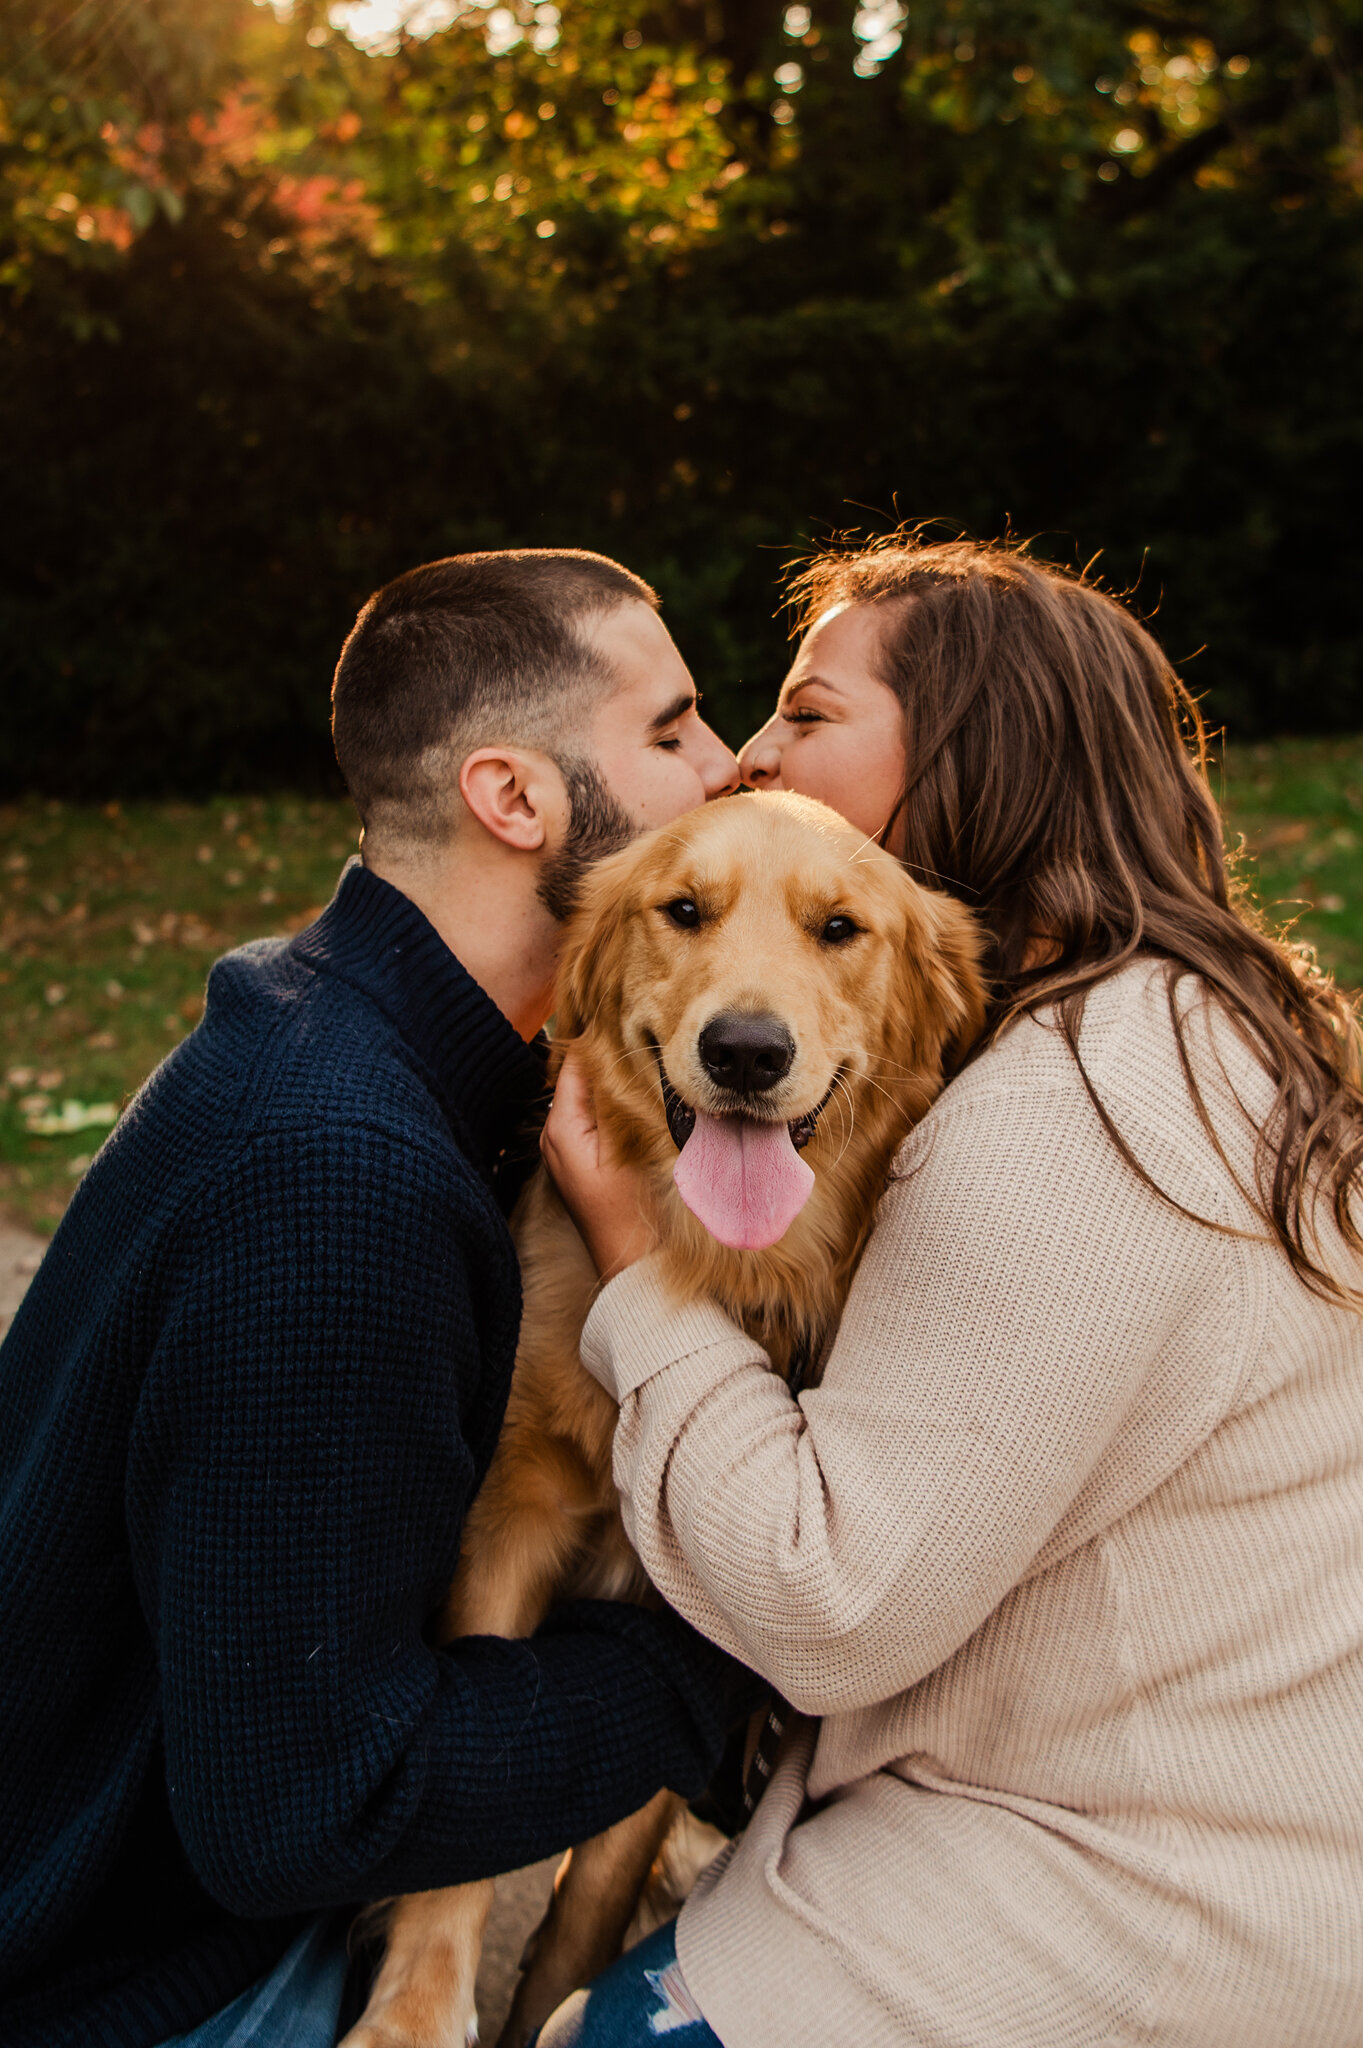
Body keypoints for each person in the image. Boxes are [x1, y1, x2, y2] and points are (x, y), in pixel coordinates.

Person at [537, 536, 1363, 2046]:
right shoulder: (1218, 1024)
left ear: (974, 753)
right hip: (1246, 1852)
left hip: (1094, 1925)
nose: (747, 759)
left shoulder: (1073, 1117)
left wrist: (631, 1269)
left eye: (806, 711)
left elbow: (823, 1602)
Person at [0, 549, 751, 2048]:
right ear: (515, 799)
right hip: (137, 1987)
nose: (728, 769)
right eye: (671, 731)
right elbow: (306, 1813)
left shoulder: (338, 1030)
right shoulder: (340, 1178)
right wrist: (708, 1667)